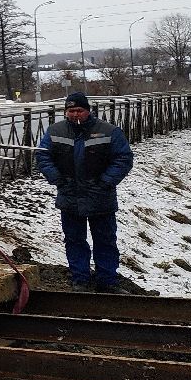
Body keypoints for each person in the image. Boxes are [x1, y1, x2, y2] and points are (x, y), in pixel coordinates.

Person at [35, 92, 135, 293]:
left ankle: (107, 280)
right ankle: (80, 279)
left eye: (79, 110)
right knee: (74, 239)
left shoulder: (109, 131)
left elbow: (123, 158)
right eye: (71, 111)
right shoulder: (55, 131)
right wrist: (57, 180)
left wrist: (106, 182)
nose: (75, 114)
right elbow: (43, 156)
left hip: (100, 196)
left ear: (88, 111)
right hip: (70, 195)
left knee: (105, 240)